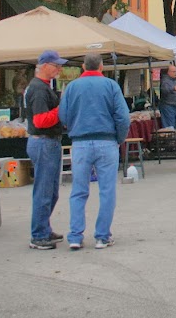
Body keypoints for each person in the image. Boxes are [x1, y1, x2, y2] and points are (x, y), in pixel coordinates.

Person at [58, 53, 130, 251]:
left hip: (80, 143)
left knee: (78, 191)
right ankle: (102, 236)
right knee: (107, 191)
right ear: (101, 67)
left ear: (83, 66)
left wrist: (74, 127)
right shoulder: (111, 86)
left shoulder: (71, 87)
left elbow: (62, 115)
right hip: (106, 141)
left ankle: (75, 236)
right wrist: (119, 138)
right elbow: (123, 117)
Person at [23, 49, 68, 250]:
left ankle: (43, 228)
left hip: (46, 141)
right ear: (45, 66)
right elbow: (40, 120)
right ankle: (38, 235)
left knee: (50, 191)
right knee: (44, 190)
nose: (59, 68)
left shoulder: (40, 87)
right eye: (56, 65)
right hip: (44, 141)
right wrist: (62, 109)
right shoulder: (39, 90)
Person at [159, 65, 176, 131]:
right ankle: (170, 140)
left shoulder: (173, 80)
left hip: (175, 107)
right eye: (174, 71)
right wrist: (173, 88)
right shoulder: (165, 80)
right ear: (168, 72)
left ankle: (173, 139)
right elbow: (164, 90)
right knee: (169, 128)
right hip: (168, 106)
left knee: (174, 127)